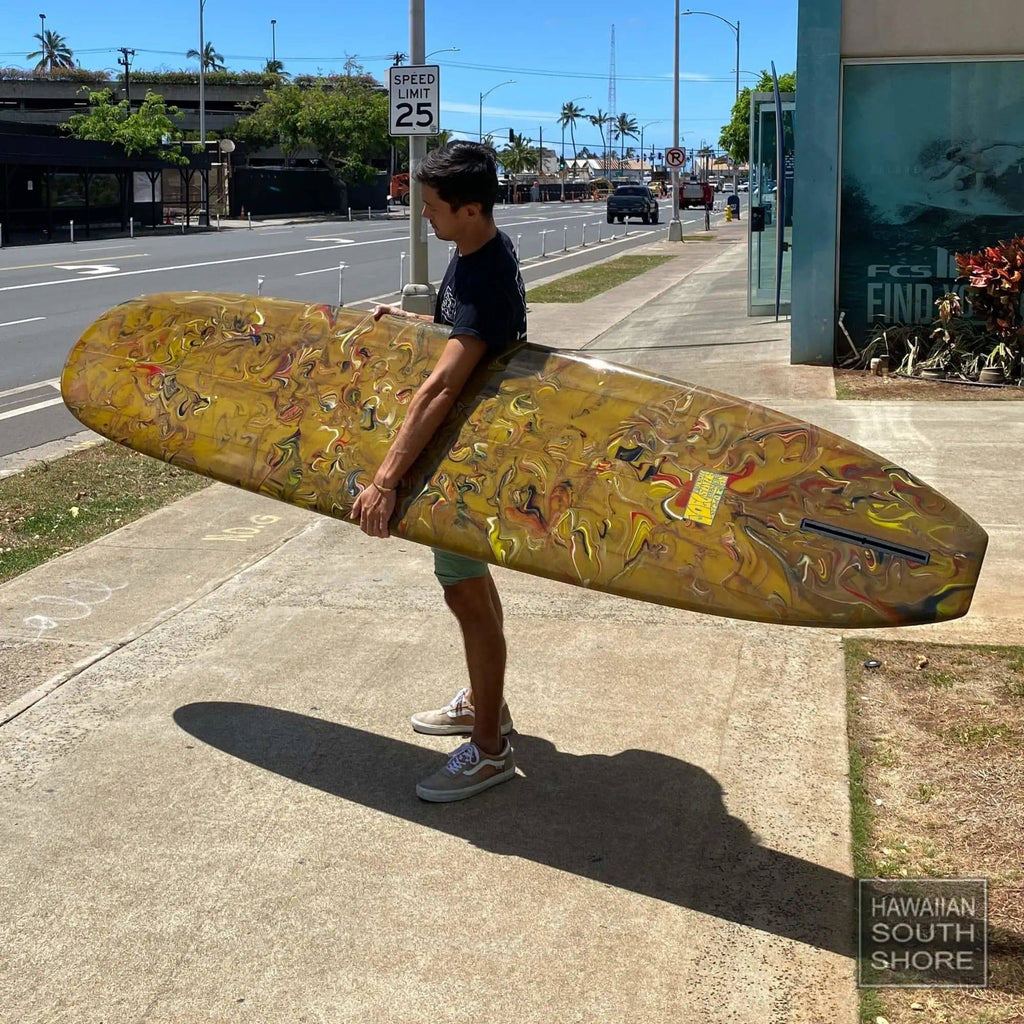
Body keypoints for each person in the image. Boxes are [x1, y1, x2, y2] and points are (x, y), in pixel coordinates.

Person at [352, 142, 527, 803]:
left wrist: (387, 479)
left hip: (463, 461)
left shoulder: (483, 271)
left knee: (465, 597)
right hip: (465, 450)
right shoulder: (480, 249)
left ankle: (489, 748)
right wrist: (408, 324)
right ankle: (489, 707)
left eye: (430, 208)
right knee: (471, 591)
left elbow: (441, 388)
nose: (423, 216)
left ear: (471, 209)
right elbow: (459, 332)